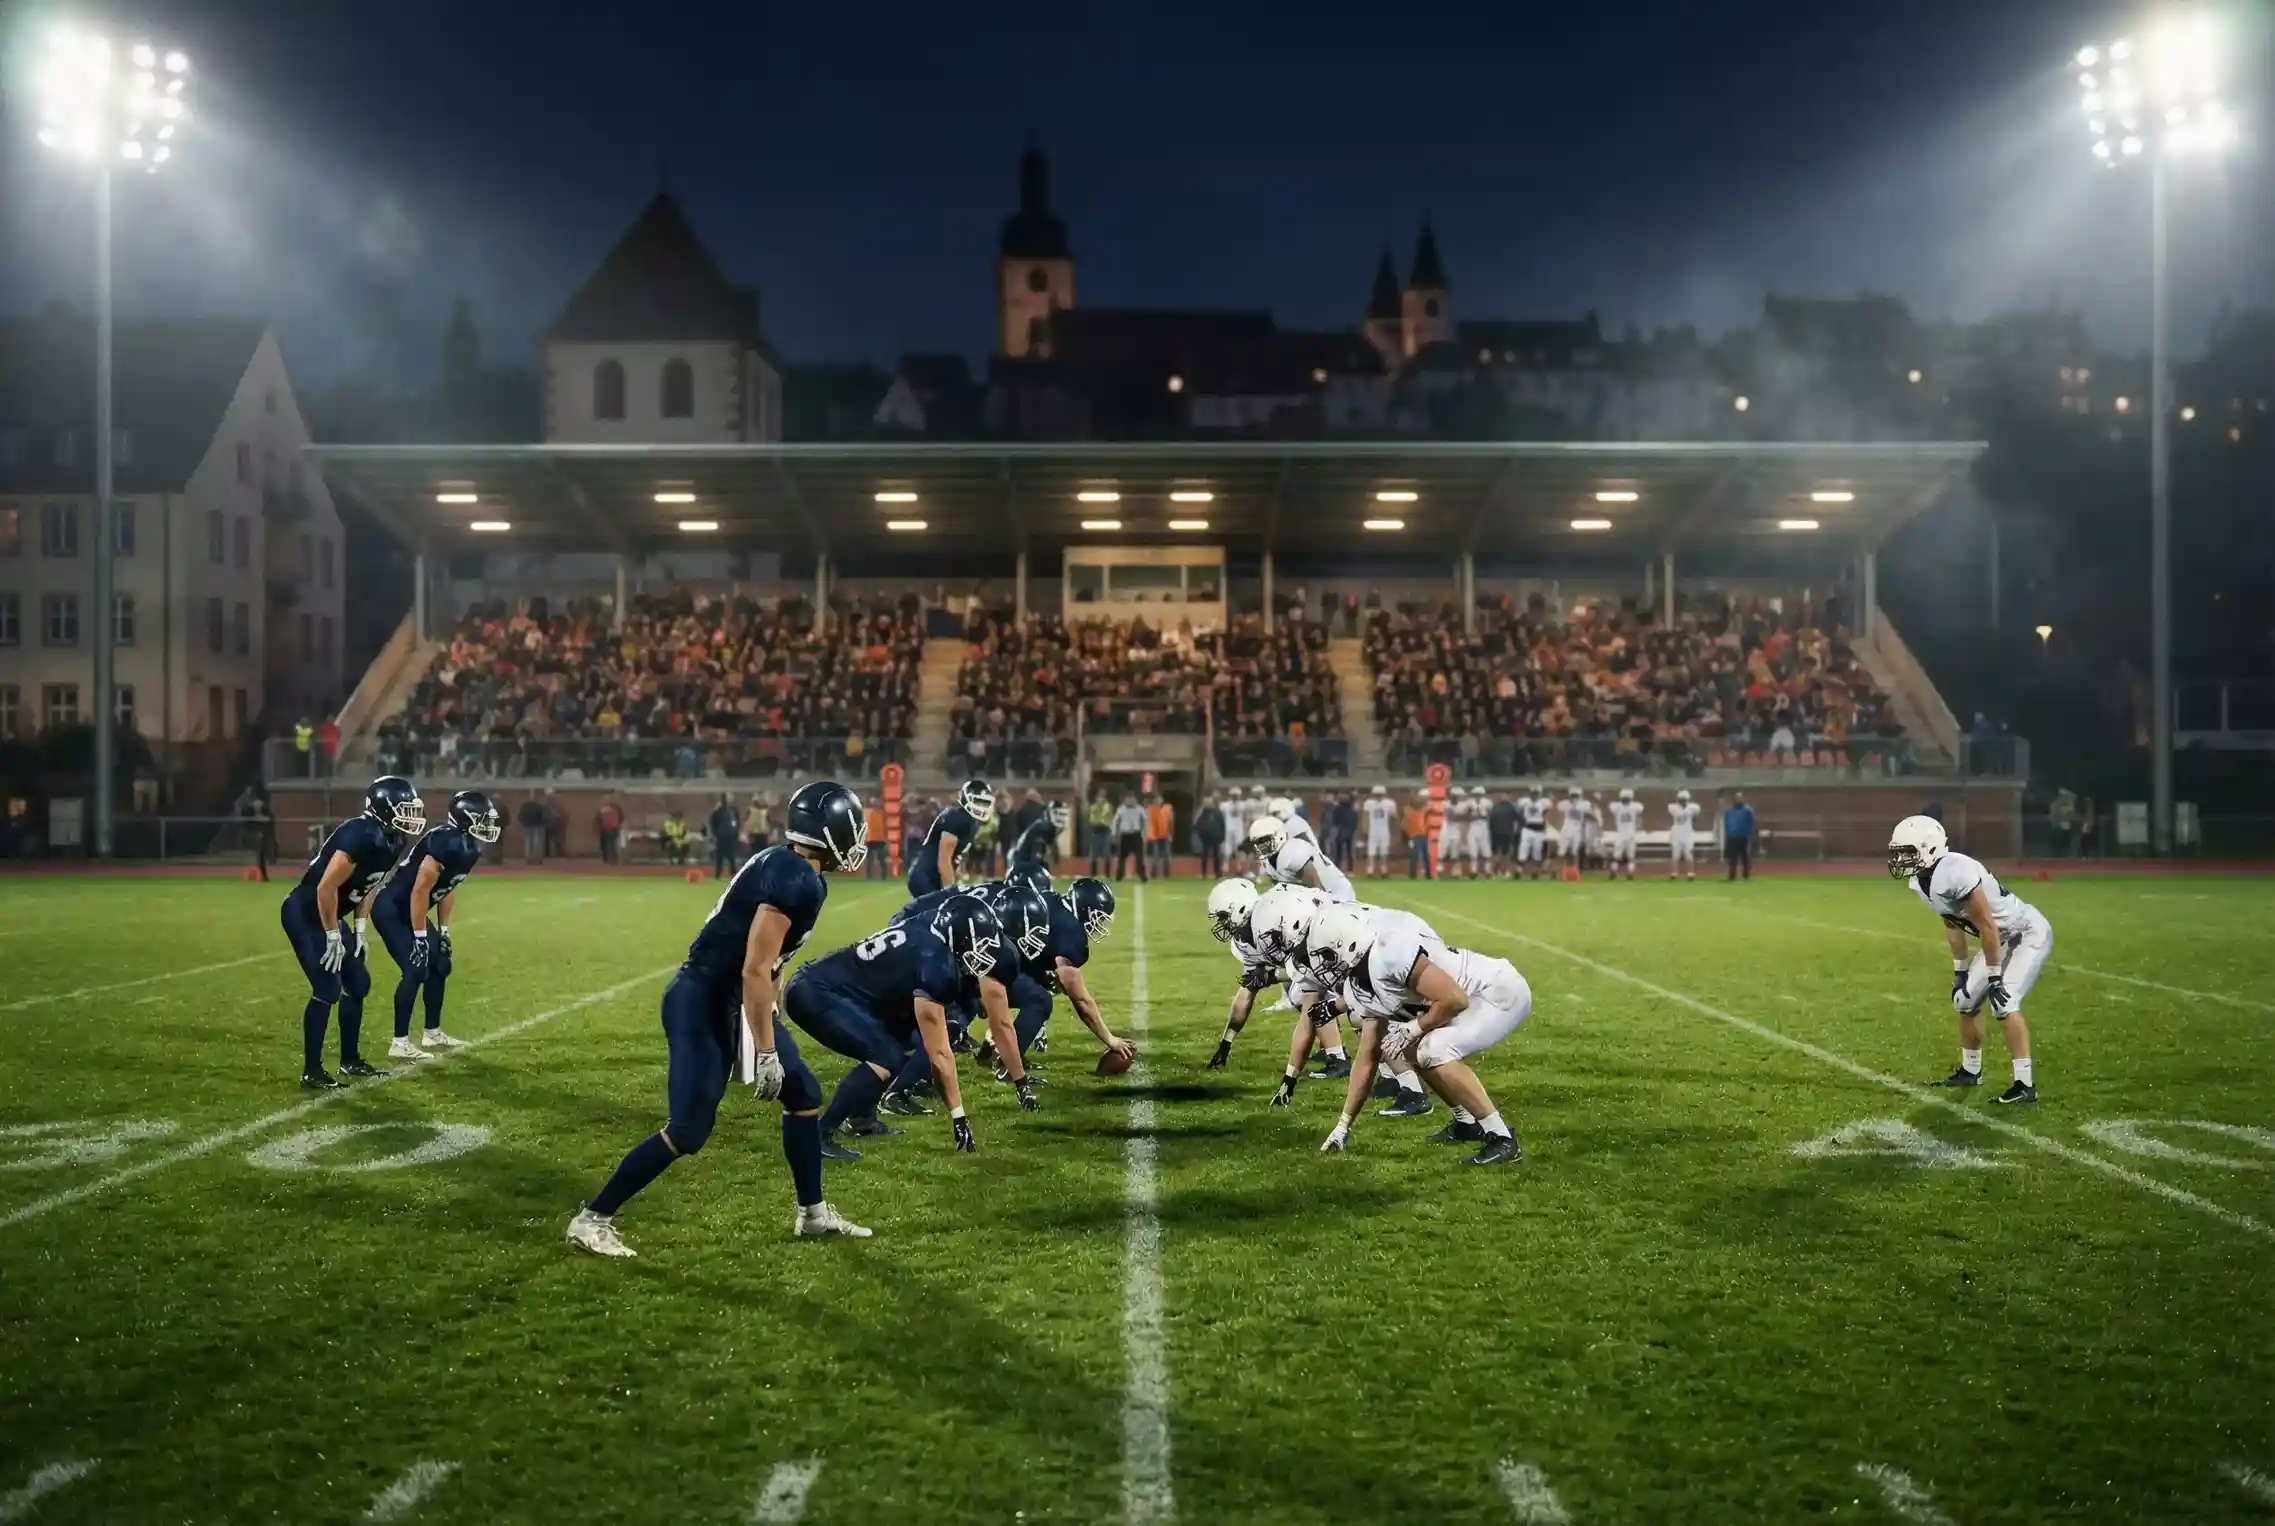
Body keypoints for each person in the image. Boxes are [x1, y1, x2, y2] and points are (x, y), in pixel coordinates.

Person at [567, 779, 873, 1258]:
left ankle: (812, 1214)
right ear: (829, 831)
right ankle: (593, 1218)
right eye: (851, 829)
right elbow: (754, 965)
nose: (857, 841)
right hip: (704, 1001)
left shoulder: (791, 867)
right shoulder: (796, 879)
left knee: (804, 1094)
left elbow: (769, 966)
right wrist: (767, 1050)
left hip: (734, 1000)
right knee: (689, 1130)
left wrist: (767, 1017)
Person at [1304, 901, 1531, 1166]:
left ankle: (1502, 1138)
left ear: (1349, 944)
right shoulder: (1358, 985)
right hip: (1469, 1001)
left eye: (1327, 956)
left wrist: (1414, 1027)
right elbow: (1367, 1057)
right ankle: (1466, 1122)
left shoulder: (1388, 953)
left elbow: (1455, 1000)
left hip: (1497, 992)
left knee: (1432, 1049)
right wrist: (1343, 1125)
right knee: (1410, 1049)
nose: (1323, 966)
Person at [794, 895, 1005, 1160]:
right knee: (884, 1056)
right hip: (817, 992)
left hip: (842, 989)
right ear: (959, 938)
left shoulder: (933, 927)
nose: (982, 953)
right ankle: (818, 1136)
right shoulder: (936, 962)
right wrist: (958, 1116)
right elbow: (940, 1054)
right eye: (978, 944)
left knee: (905, 1044)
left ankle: (862, 1119)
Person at [1887, 814, 2051, 1105]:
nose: (1902, 859)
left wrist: (1994, 976)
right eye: (1898, 852)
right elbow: (1952, 924)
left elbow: (1986, 924)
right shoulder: (1921, 880)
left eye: (1908, 852)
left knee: (2005, 1001)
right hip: (1998, 937)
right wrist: (1960, 973)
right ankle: (1970, 1071)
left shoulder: (1955, 870)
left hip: (2024, 933)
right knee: (1964, 1001)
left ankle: (2024, 1085)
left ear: (1931, 848)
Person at [280, 776, 425, 1089]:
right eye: (405, 809)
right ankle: (312, 1071)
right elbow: (325, 887)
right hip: (305, 912)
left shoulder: (394, 839)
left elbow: (369, 886)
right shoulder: (359, 834)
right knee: (327, 988)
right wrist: (333, 934)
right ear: (385, 808)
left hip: (330, 914)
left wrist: (360, 928)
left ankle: (349, 1061)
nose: (411, 816)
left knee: (358, 983)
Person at [370, 789, 496, 1061]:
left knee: (440, 964)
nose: (488, 825)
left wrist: (444, 930)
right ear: (465, 819)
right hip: (391, 909)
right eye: (483, 819)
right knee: (416, 968)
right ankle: (400, 1042)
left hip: (412, 909)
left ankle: (432, 1032)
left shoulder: (470, 846)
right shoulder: (443, 840)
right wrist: (419, 937)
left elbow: (448, 887)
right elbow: (419, 891)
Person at [911, 777, 994, 897]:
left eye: (984, 802)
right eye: (977, 801)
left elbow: (954, 857)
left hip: (930, 876)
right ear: (966, 799)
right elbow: (944, 859)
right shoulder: (957, 818)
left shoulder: (969, 821)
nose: (981, 807)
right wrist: (950, 890)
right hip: (927, 876)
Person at [1247, 812, 1354, 903]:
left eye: (1266, 840)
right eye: (1258, 842)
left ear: (1279, 834)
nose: (1262, 846)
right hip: (1318, 897)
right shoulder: (1270, 859)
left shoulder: (1292, 852)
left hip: (1336, 896)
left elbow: (1317, 890)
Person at [1607, 788, 1642, 881]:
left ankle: (1629, 872)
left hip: (1626, 833)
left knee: (1628, 855)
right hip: (1624, 833)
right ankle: (1616, 871)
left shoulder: (1618, 806)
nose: (1625, 800)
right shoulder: (1634, 807)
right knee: (1619, 855)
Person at [1515, 787, 1550, 880]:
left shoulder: (1544, 802)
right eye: (1532, 793)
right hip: (1527, 829)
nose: (1534, 795)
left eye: (1536, 793)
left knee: (1537, 852)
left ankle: (1535, 873)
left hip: (1539, 830)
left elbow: (1548, 812)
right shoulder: (1524, 801)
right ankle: (1518, 872)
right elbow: (1519, 812)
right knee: (1523, 850)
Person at [1111, 794, 1148, 881]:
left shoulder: (1140, 809)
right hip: (1125, 835)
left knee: (1140, 857)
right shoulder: (1121, 810)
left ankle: (1142, 876)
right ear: (1125, 800)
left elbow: (1145, 821)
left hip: (1136, 834)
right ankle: (1119, 876)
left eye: (1132, 799)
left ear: (1135, 800)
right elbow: (1116, 822)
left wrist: (1144, 834)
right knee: (1122, 857)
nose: (1130, 801)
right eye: (1128, 799)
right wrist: (1115, 834)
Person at [1361, 785, 1395, 877]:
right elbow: (1365, 816)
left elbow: (1393, 817)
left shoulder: (1389, 803)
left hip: (1384, 829)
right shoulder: (1369, 803)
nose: (1378, 797)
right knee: (1371, 850)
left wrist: (1392, 828)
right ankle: (1370, 869)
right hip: (1373, 829)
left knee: (1384, 850)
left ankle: (1383, 869)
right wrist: (1365, 829)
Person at [1667, 788, 1700, 880]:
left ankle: (1690, 873)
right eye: (1681, 799)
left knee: (1689, 853)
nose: (1682, 802)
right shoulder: (1673, 808)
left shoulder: (1692, 808)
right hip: (1677, 832)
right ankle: (1674, 873)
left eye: (1684, 799)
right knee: (1675, 854)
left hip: (1687, 832)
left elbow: (1695, 817)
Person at [1722, 792, 1756, 881]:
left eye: (1739, 798)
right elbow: (1726, 822)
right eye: (1736, 798)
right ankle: (1732, 875)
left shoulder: (1747, 810)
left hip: (1743, 836)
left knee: (1745, 856)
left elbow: (1751, 823)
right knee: (1732, 857)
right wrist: (1728, 832)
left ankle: (1746, 875)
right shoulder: (1729, 810)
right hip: (1732, 836)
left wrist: (1749, 833)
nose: (1738, 799)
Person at [706, 794, 741, 879]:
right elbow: (712, 823)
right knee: (719, 855)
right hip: (720, 835)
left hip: (731, 835)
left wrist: (736, 832)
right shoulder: (717, 811)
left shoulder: (733, 810)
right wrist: (714, 834)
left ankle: (733, 873)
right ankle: (718, 874)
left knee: (731, 855)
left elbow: (737, 821)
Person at [1195, 796, 1227, 879]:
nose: (1207, 805)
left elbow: (1222, 825)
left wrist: (1222, 836)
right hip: (1205, 838)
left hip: (1216, 838)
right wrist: (1201, 835)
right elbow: (1198, 825)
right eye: (1206, 803)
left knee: (1216, 856)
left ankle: (1218, 873)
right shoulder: (1202, 813)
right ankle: (1204, 873)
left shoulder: (1217, 813)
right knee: (1204, 856)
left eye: (1209, 803)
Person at [1403, 793, 1431, 879]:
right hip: (1413, 836)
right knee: (1413, 855)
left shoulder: (1424, 810)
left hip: (1424, 836)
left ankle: (1429, 873)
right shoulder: (1408, 810)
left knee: (1426, 856)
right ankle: (1412, 874)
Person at [1145, 795, 1174, 880]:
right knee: (1155, 856)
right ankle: (1154, 874)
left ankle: (1166, 874)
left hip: (1165, 835)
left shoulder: (1168, 808)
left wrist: (1170, 834)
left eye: (1159, 799)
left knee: (1167, 856)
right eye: (1156, 800)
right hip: (1154, 836)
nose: (1158, 802)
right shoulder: (1151, 809)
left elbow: (1171, 822)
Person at [1086, 793, 1114, 877]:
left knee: (1107, 853)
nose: (1100, 799)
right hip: (1096, 831)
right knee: (1094, 854)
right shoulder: (1093, 807)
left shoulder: (1107, 806)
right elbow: (1092, 819)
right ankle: (1093, 874)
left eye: (1102, 797)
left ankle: (1107, 874)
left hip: (1105, 831)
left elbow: (1105, 818)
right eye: (1098, 797)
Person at [864, 795, 891, 880]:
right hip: (870, 839)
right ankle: (869, 876)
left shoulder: (882, 813)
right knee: (869, 859)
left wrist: (886, 838)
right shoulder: (867, 812)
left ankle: (884, 875)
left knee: (881, 858)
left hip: (880, 839)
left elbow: (885, 826)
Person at [597, 797, 625, 866]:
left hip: (607, 829)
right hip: (614, 829)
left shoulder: (604, 810)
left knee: (607, 845)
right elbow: (621, 819)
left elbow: (599, 818)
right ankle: (614, 860)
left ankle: (608, 860)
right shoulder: (617, 810)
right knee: (613, 845)